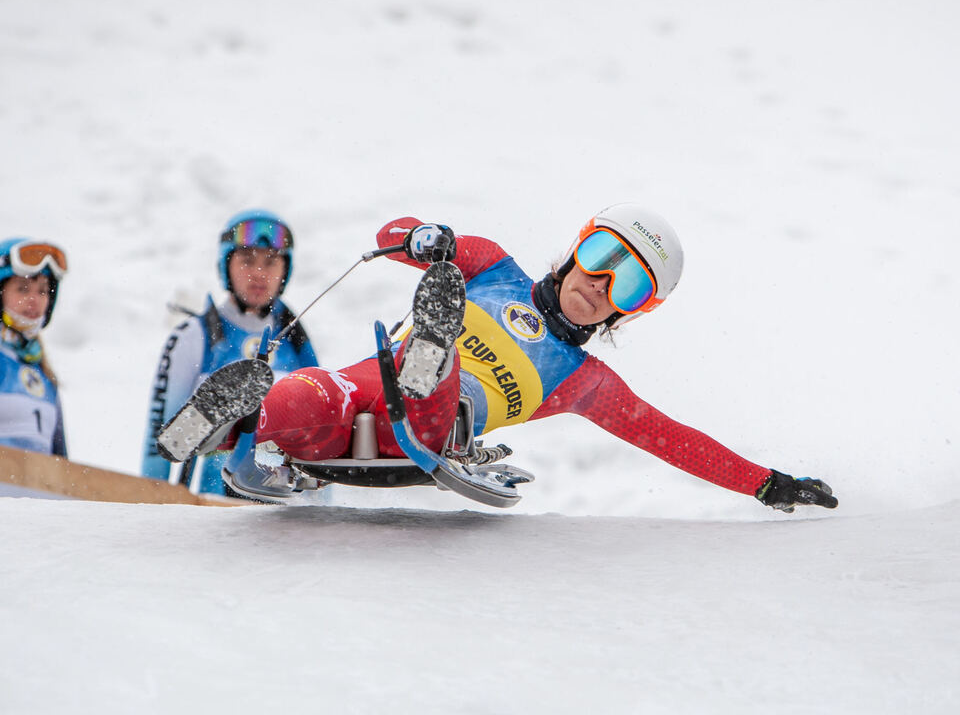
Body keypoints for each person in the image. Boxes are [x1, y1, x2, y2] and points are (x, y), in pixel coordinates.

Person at [159, 204, 837, 513]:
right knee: (308, 398)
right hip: (360, 386)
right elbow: (389, 236)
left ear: (632, 310)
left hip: (428, 424)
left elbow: (672, 440)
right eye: (601, 258)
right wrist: (423, 239)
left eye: (627, 284)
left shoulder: (584, 381)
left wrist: (765, 482)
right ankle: (238, 422)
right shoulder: (489, 267)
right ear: (577, 248)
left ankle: (432, 348)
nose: (600, 283)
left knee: (437, 390)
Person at [141, 209, 319, 497]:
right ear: (226, 265)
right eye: (247, 260)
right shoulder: (194, 335)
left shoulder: (297, 340)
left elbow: (318, 442)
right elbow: (158, 443)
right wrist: (151, 506)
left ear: (285, 270)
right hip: (213, 519)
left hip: (286, 523)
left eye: (271, 262)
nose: (259, 273)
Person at [0, 238, 68, 457]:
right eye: (22, 289)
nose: (34, 300)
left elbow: (62, 466)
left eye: (42, 291)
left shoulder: (44, 375)